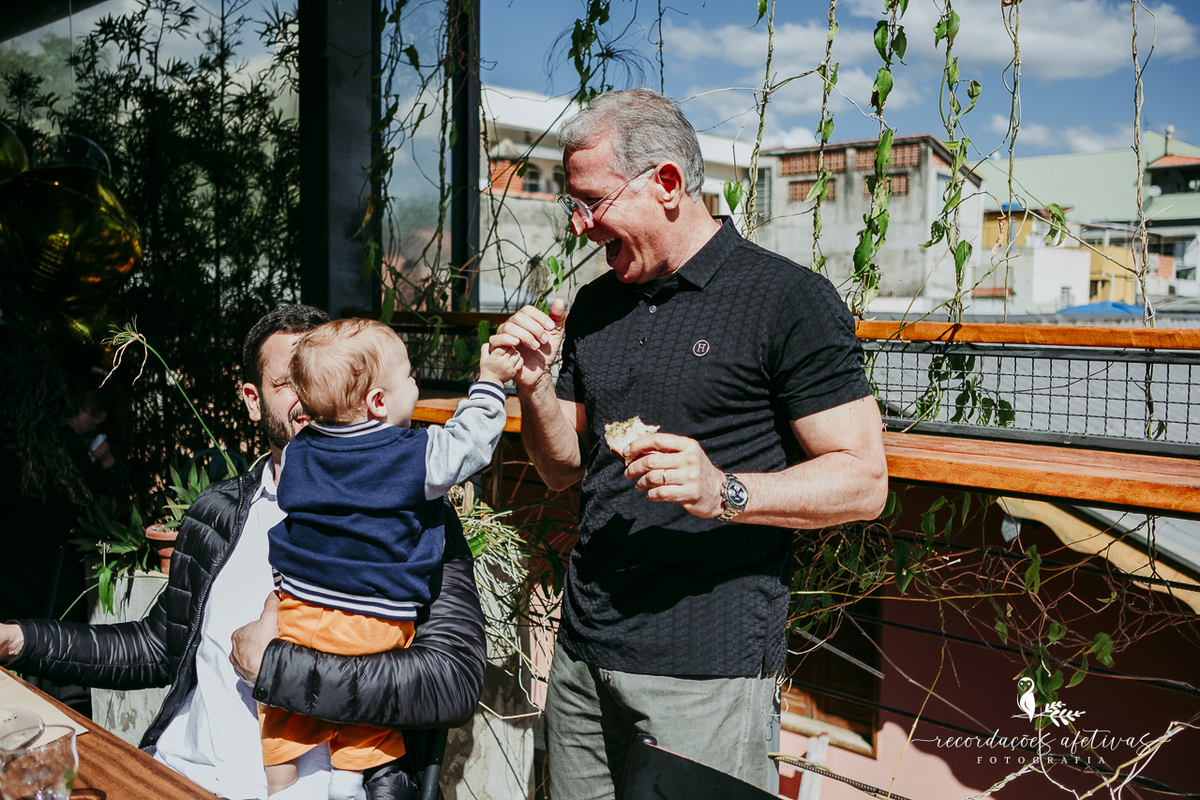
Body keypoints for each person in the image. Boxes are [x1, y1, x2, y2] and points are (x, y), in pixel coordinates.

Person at [490, 88, 889, 798]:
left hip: (707, 673)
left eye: (592, 202)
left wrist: (724, 490)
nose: (582, 228)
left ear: (667, 183)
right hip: (583, 656)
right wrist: (532, 388)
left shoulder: (786, 299)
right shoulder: (595, 304)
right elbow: (561, 472)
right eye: (572, 207)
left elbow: (863, 481)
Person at [0, 305, 487, 800]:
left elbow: (452, 680)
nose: (314, 396)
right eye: (289, 382)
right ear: (253, 401)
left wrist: (278, 670)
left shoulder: (413, 514)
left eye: (326, 377)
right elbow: (155, 647)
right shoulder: (218, 514)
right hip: (177, 775)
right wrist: (20, 639)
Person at [261, 318, 517, 798]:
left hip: (297, 612)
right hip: (373, 621)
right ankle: (349, 778)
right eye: (410, 377)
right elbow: (470, 443)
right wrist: (489, 381)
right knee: (368, 711)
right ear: (379, 402)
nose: (416, 384)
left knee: (284, 712)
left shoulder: (298, 451)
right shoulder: (408, 456)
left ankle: (279, 784)